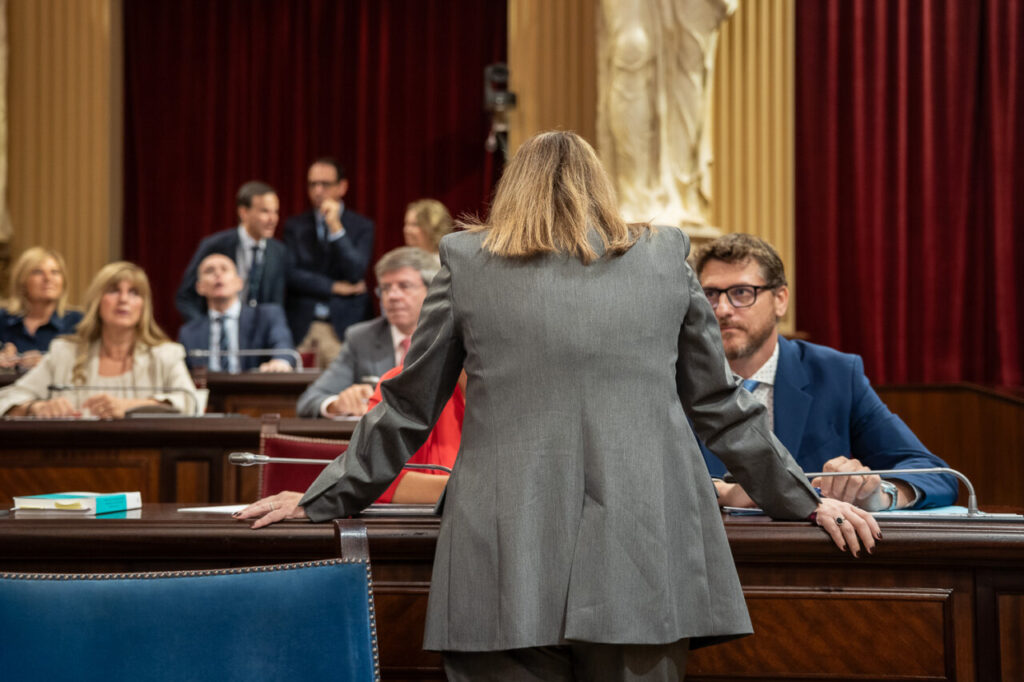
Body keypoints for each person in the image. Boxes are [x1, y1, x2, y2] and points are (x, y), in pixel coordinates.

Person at [238, 131, 877, 681]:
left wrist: (319, 498)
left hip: (501, 551)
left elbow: (406, 406)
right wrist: (805, 498)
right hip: (643, 549)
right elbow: (718, 404)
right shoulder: (663, 255)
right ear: (601, 187)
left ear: (512, 189)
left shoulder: (465, 260)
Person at [692, 233, 958, 510]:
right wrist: (720, 492)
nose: (722, 309)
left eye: (741, 293)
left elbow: (934, 474)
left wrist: (881, 495)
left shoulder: (837, 376)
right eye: (709, 295)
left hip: (811, 548)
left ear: (780, 299)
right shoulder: (673, 381)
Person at [0, 261, 197, 418]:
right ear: (97, 301)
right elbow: (7, 399)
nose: (124, 299)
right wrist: (36, 408)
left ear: (144, 306)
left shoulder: (165, 355)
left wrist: (129, 406)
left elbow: (190, 402)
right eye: (113, 290)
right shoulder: (65, 352)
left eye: (134, 293)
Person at [295, 247, 437, 418]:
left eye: (404, 286)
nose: (392, 296)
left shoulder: (450, 336)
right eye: (385, 288)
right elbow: (309, 401)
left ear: (432, 291)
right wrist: (337, 405)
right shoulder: (361, 338)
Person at [282, 157, 375, 357]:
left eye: (325, 184)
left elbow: (356, 271)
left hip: (343, 327)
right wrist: (334, 287)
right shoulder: (294, 226)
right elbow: (291, 273)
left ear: (342, 187)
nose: (318, 190)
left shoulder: (362, 226)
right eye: (313, 184)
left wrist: (335, 228)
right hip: (302, 326)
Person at [175, 181, 287, 322]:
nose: (273, 219)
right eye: (265, 211)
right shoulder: (214, 245)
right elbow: (185, 297)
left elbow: (277, 304)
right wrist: (206, 328)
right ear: (243, 212)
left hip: (258, 337)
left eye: (275, 212)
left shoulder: (278, 251)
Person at [177, 254, 296, 373]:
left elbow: (283, 346)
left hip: (254, 389)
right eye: (210, 271)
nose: (218, 274)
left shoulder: (267, 316)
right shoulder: (188, 333)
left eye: (224, 269)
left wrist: (280, 362)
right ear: (199, 287)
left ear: (239, 283)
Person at [367, 364, 464, 504]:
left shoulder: (505, 396)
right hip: (416, 524)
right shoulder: (405, 382)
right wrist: (473, 490)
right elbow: (372, 480)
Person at [0, 247, 82, 371]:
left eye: (55, 272)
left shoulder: (78, 322)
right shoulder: (3, 319)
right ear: (22, 281)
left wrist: (47, 362)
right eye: (38, 272)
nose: (48, 278)